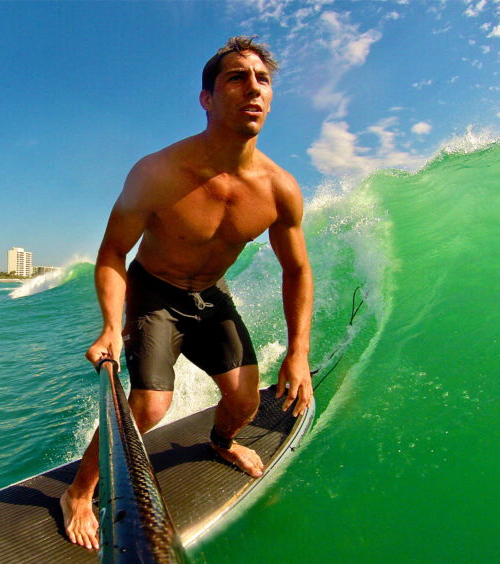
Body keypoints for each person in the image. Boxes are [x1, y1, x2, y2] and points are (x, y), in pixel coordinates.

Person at [60, 36, 313, 549]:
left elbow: (297, 271)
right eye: (236, 78)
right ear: (207, 98)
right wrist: (112, 325)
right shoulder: (158, 172)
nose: (253, 89)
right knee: (151, 406)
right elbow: (112, 252)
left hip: (211, 296)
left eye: (262, 80)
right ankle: (79, 492)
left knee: (244, 400)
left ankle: (221, 443)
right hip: (154, 292)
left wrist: (299, 353)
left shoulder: (278, 189)